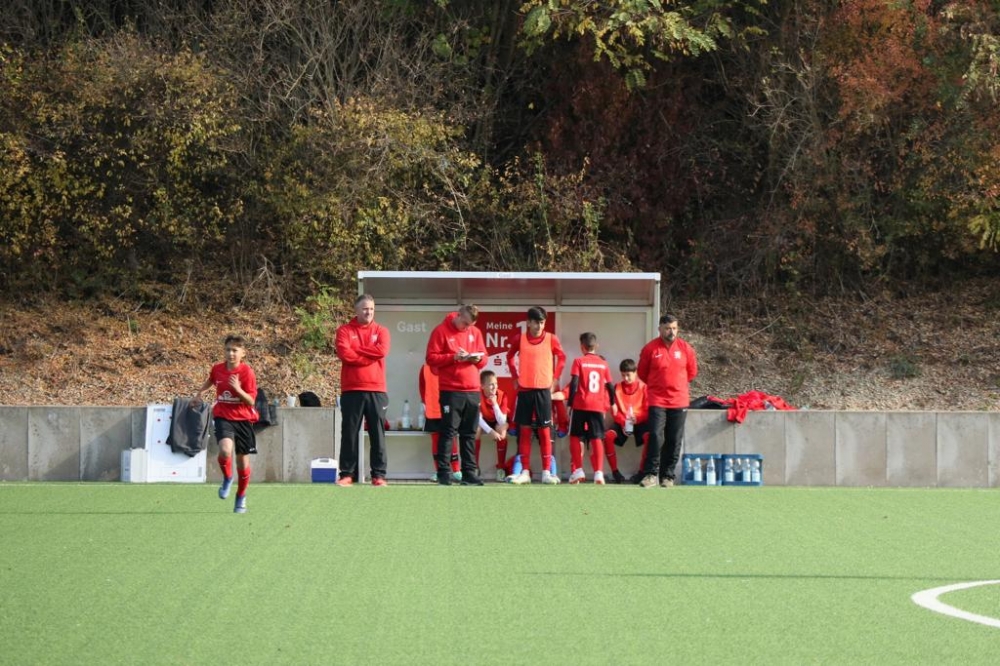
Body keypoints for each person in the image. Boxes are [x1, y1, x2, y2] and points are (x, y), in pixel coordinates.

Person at [192, 335, 258, 514]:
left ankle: (241, 496)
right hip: (223, 416)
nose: (231, 353)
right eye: (228, 350)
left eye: (235, 350)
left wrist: (237, 389)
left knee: (242, 462)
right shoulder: (218, 369)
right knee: (225, 450)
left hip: (243, 419)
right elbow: (211, 380)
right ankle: (228, 477)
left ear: (243, 353)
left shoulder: (247, 373)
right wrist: (199, 393)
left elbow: (251, 401)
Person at [425, 304, 488, 485]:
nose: (467, 327)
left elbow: (484, 358)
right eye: (465, 323)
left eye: (470, 325)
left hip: (472, 390)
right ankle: (443, 473)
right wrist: (453, 357)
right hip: (451, 390)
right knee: (448, 432)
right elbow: (431, 358)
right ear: (458, 315)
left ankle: (469, 473)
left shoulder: (475, 332)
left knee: (469, 434)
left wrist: (477, 358)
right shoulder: (441, 331)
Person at [505, 306, 567, 485]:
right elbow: (509, 356)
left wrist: (555, 378)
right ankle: (524, 472)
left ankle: (546, 472)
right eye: (536, 322)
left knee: (544, 431)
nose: (539, 326)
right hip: (525, 390)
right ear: (528, 322)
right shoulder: (520, 339)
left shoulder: (551, 339)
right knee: (524, 431)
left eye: (542, 322)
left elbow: (562, 357)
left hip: (543, 391)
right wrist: (515, 377)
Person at [335, 294, 391, 486]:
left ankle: (378, 475)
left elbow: (382, 351)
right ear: (356, 310)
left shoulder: (382, 331)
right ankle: (347, 474)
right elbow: (345, 354)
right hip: (352, 389)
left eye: (372, 309)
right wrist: (368, 355)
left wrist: (357, 349)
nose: (369, 312)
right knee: (349, 433)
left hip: (377, 390)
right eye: (365, 309)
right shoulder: (344, 330)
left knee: (377, 434)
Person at [637, 314, 698, 488]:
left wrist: (677, 385)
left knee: (674, 438)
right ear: (660, 329)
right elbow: (642, 373)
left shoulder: (686, 348)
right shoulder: (650, 349)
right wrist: (657, 385)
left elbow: (692, 372)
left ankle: (667, 476)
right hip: (657, 399)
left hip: (679, 400)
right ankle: (651, 474)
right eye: (667, 328)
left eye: (674, 328)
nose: (671, 331)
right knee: (655, 435)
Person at [566, 333, 615, 485]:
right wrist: (613, 403)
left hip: (581, 404)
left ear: (582, 347)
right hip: (597, 406)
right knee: (597, 438)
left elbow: (574, 383)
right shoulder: (603, 364)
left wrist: (570, 404)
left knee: (575, 436)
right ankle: (599, 473)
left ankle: (578, 470)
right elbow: (610, 386)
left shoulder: (579, 361)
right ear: (596, 346)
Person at [603, 358, 649, 484]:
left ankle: (641, 472)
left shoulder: (644, 387)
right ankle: (615, 472)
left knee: (650, 437)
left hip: (639, 422)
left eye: (628, 375)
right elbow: (614, 411)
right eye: (623, 375)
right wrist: (623, 421)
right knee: (608, 436)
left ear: (635, 373)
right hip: (622, 422)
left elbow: (647, 410)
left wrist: (638, 418)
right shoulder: (616, 388)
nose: (626, 378)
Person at [419, 362, 461, 482]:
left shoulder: (450, 364)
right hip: (432, 409)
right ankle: (439, 471)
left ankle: (456, 470)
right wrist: (425, 403)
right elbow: (422, 387)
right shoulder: (425, 367)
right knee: (436, 440)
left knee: (451, 437)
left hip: (448, 407)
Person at [476, 369, 512, 481]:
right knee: (475, 430)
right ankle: (474, 467)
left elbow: (502, 421)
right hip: (483, 421)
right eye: (491, 384)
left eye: (496, 383)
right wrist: (490, 431)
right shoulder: (477, 395)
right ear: (482, 386)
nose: (494, 387)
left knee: (502, 431)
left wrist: (495, 404)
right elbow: (477, 419)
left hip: (498, 420)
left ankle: (500, 468)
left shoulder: (502, 395)